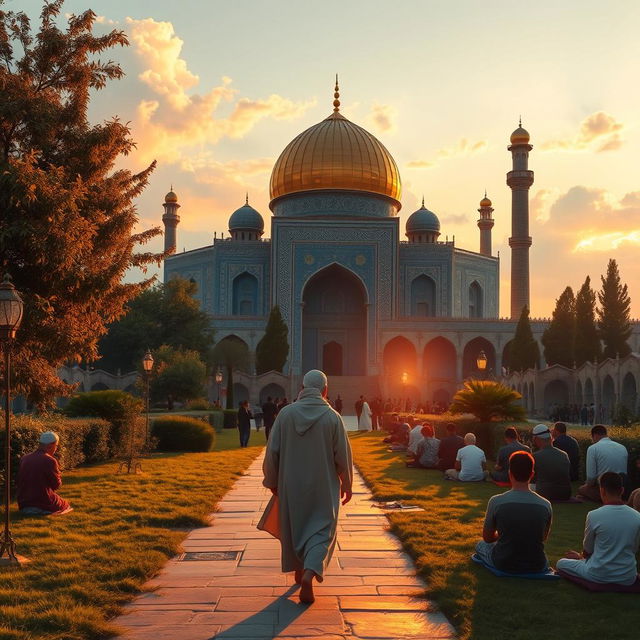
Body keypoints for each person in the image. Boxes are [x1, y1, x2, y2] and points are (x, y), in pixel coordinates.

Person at [260, 369, 353, 604]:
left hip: (291, 483)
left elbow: (272, 452)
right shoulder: (332, 417)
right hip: (323, 485)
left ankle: (300, 571)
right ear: (325, 390)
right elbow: (343, 455)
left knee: (296, 527)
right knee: (321, 531)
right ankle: (309, 574)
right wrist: (347, 484)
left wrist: (271, 480)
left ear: (302, 388)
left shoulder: (286, 414)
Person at [475, 451, 552, 574]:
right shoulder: (545, 505)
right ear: (532, 474)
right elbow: (542, 537)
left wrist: (503, 534)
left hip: (504, 562)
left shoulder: (496, 501)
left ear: (510, 473)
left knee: (480, 545)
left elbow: (488, 538)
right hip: (537, 564)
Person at [557, 472, 640, 585]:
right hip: (627, 576)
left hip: (598, 574)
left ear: (602, 491)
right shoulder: (637, 516)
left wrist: (580, 557)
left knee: (561, 563)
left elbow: (588, 551)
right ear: (622, 490)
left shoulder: (594, 515)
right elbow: (634, 549)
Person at [16, 431, 72, 515]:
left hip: (24, 503)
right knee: (65, 504)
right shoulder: (50, 460)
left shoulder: (25, 458)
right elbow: (56, 485)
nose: (56, 449)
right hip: (43, 501)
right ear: (51, 445)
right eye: (56, 446)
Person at [578, 425, 628, 502]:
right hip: (622, 488)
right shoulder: (622, 447)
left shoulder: (593, 448)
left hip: (605, 488)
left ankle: (601, 498)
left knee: (581, 489)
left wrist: (587, 484)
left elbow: (591, 478)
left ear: (594, 435)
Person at [531, 424, 571, 501]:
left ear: (536, 439)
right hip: (565, 494)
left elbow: (531, 478)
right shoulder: (564, 455)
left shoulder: (535, 456)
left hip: (544, 493)